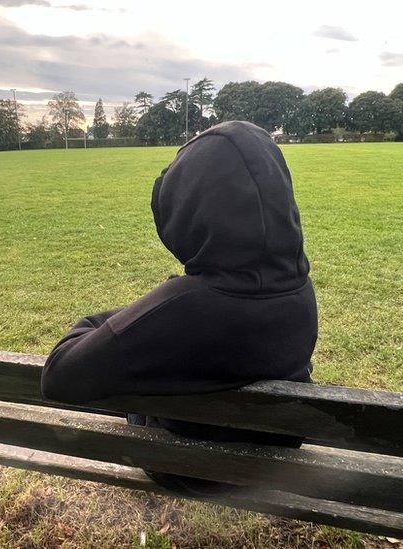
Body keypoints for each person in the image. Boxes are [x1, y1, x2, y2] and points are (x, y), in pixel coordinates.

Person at [41, 120, 317, 494]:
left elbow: (59, 376)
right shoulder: (299, 287)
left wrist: (113, 318)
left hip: (190, 470)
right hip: (272, 462)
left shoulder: (183, 308)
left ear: (188, 209)